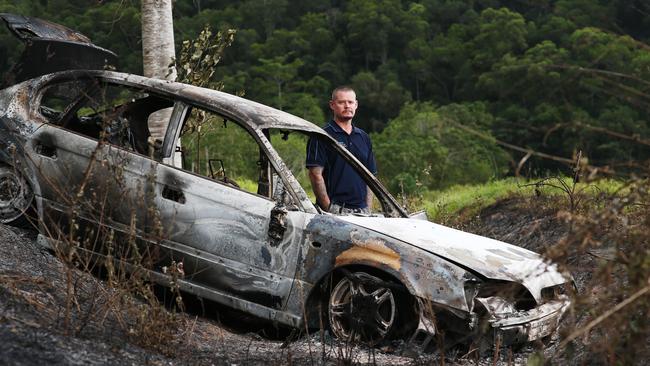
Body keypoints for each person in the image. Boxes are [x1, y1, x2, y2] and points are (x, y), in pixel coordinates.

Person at [306, 86, 376, 214]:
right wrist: (329, 208)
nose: (347, 106)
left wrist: (368, 209)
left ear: (356, 105)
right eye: (341, 102)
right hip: (335, 210)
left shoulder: (363, 137)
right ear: (332, 105)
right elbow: (315, 174)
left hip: (362, 212)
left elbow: (370, 177)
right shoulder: (321, 135)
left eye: (350, 102)